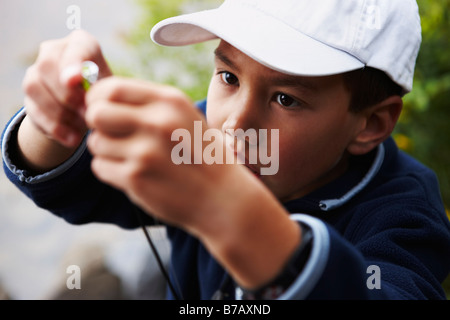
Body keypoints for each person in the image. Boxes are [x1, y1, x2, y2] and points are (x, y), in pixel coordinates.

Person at [2, 0, 450, 300]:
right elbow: (77, 183)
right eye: (229, 77)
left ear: (370, 123)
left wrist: (229, 208)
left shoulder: (404, 214)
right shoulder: (200, 133)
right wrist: (55, 118)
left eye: (286, 99)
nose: (235, 124)